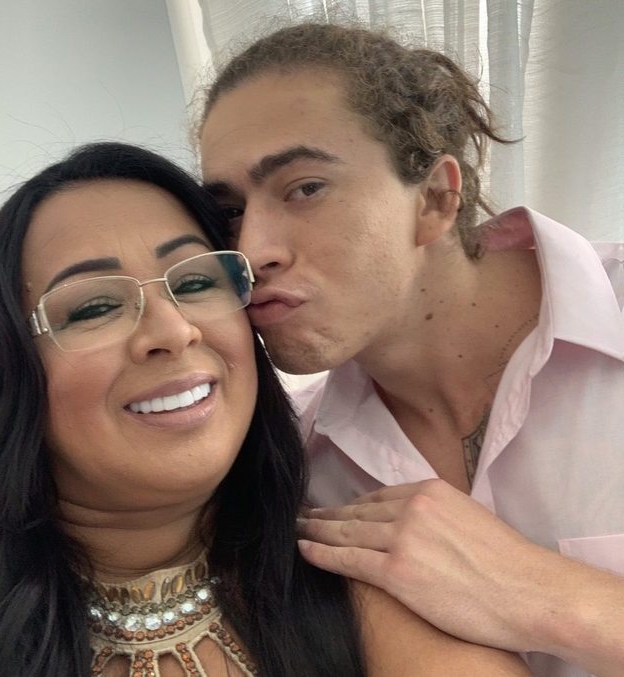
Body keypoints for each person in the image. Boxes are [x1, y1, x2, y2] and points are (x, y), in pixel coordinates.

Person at [0, 142, 530, 676]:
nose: (174, 331)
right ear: (8, 368)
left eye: (196, 283)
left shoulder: (374, 595)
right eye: (96, 307)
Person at [198, 21, 624, 677]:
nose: (252, 252)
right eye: (229, 212)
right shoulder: (300, 470)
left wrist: (551, 599)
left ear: (434, 197)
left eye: (305, 188)